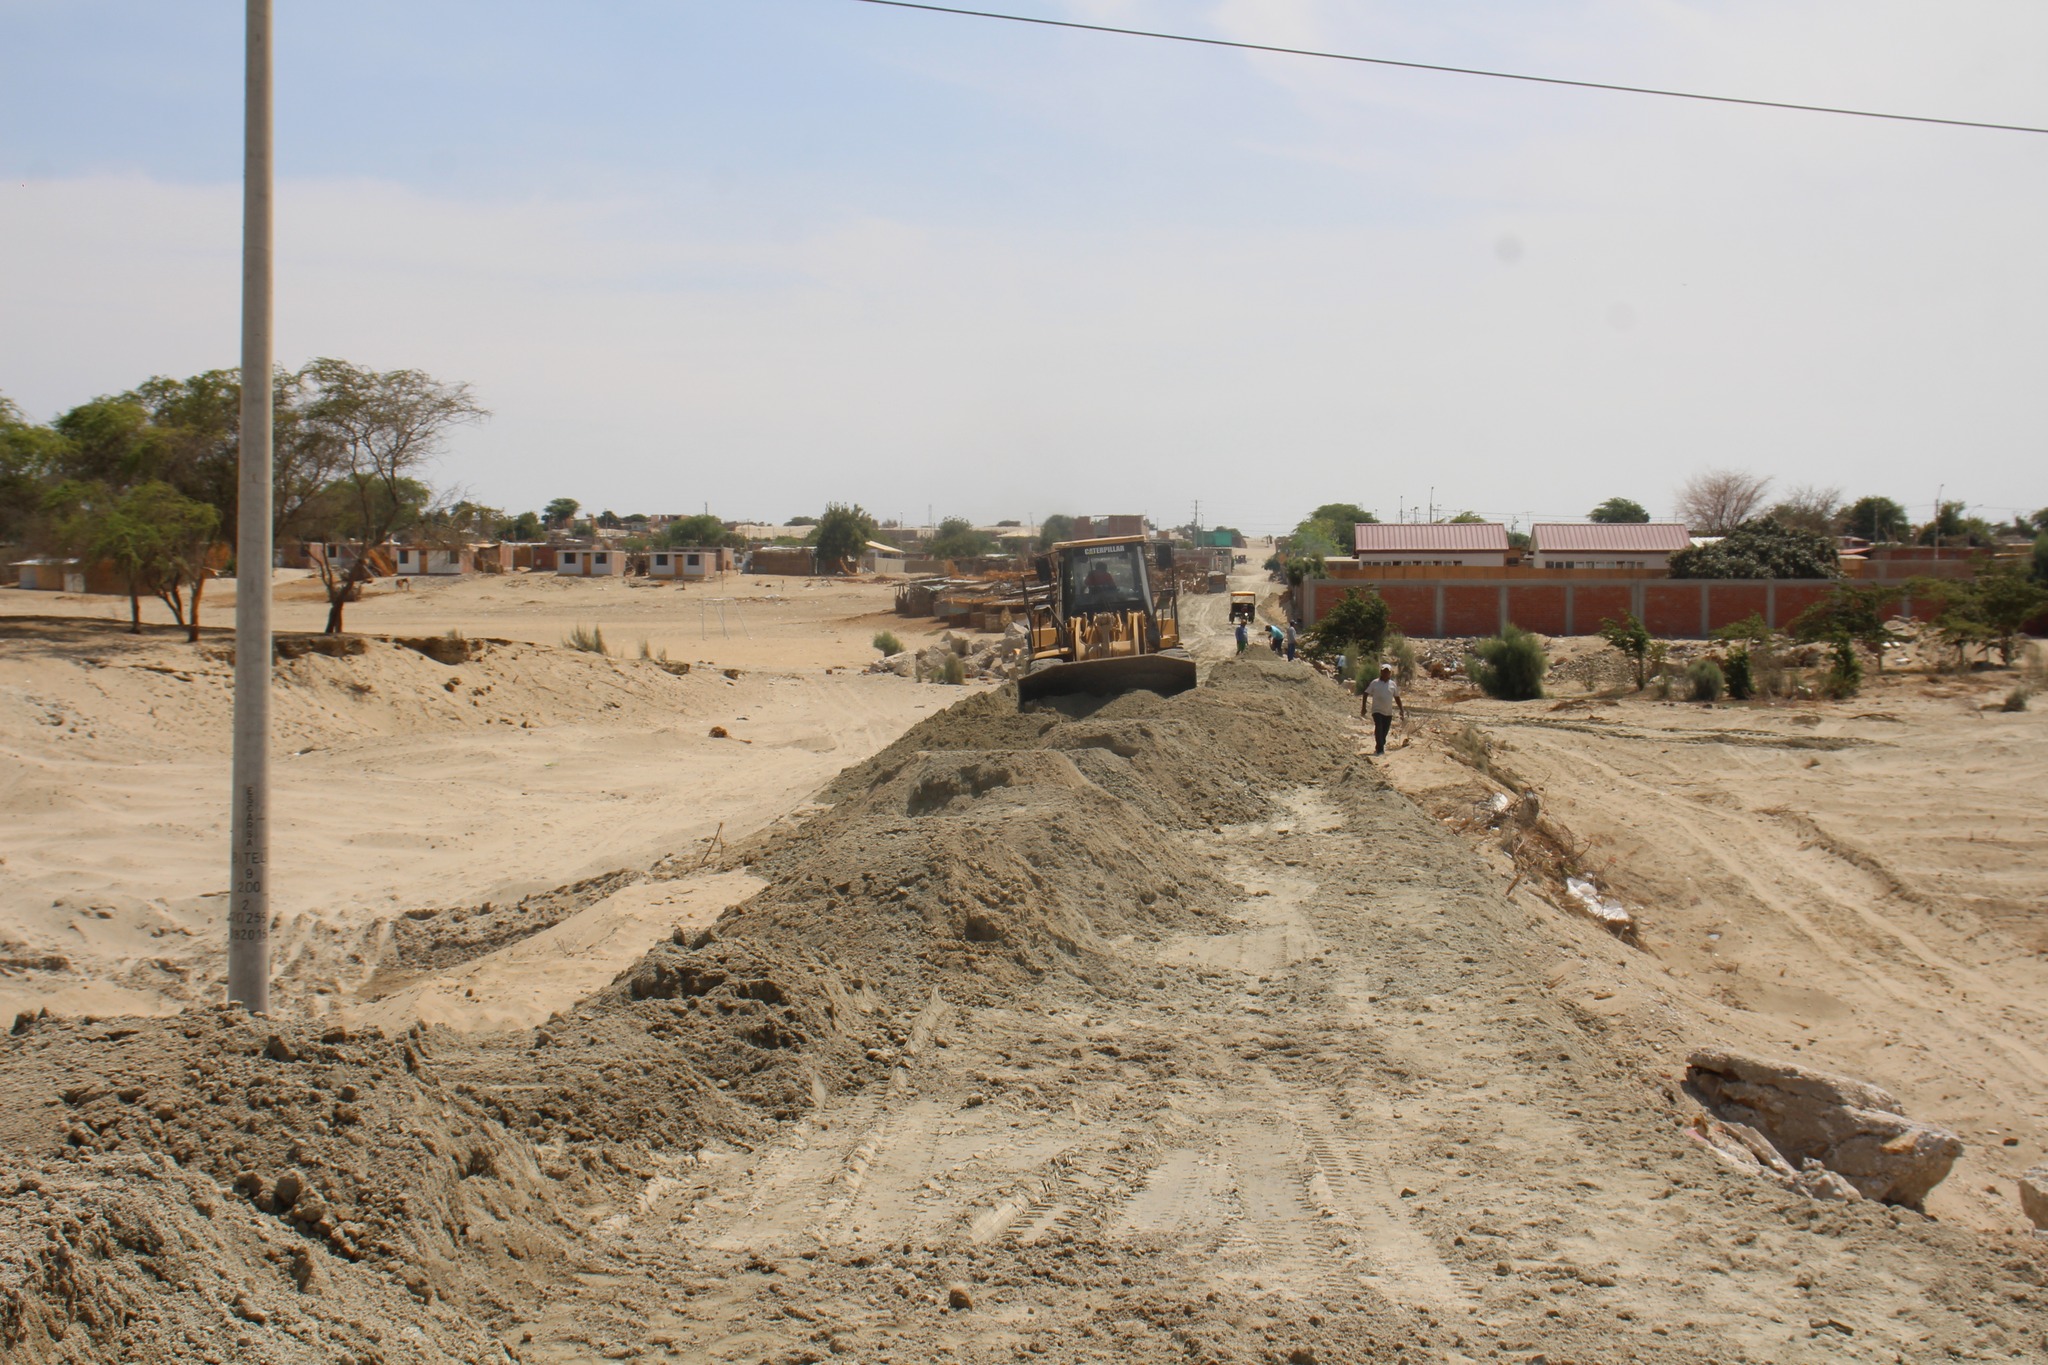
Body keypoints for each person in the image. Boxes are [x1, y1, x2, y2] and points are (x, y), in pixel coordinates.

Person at [1362, 662, 1405, 755]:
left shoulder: (1393, 684)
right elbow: (1365, 693)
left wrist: (1401, 710)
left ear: (1390, 673)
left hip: (1388, 712)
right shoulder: (1375, 683)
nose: (1385, 674)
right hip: (1377, 710)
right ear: (1381, 672)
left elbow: (1397, 697)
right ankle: (1380, 750)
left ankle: (1380, 744)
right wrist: (1363, 707)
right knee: (1379, 727)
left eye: (1387, 672)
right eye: (1384, 672)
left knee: (1385, 731)